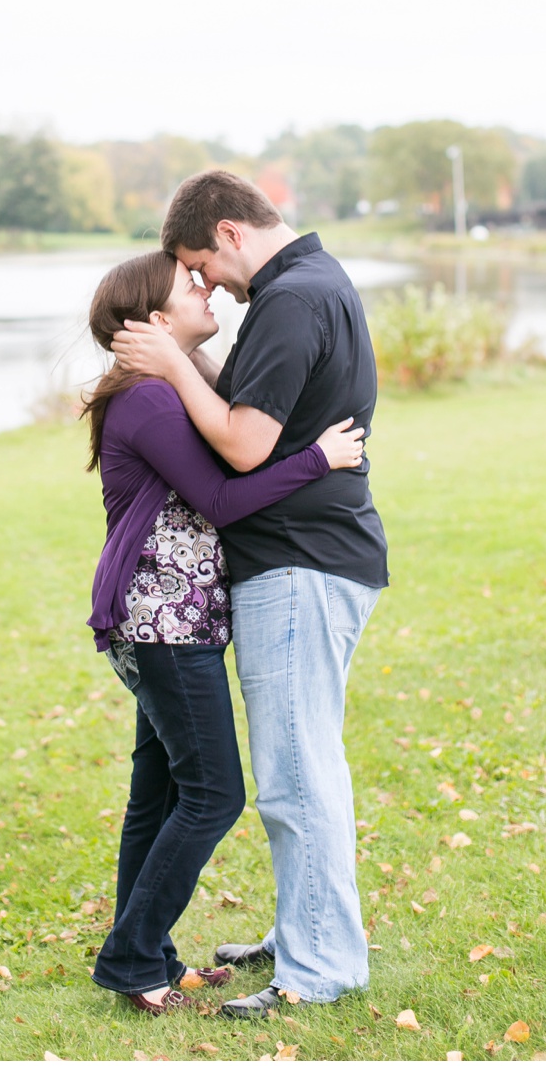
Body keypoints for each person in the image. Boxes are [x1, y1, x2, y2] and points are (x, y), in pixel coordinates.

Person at [110, 169, 388, 1017]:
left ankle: (316, 967)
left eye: (201, 263)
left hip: (300, 562)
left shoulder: (293, 297)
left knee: (296, 775)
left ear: (230, 232)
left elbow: (240, 443)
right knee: (304, 766)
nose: (207, 285)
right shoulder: (307, 285)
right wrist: (186, 358)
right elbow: (247, 421)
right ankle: (306, 931)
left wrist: (173, 361)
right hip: (305, 558)